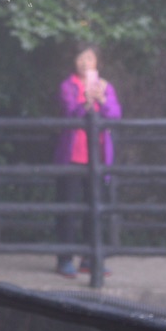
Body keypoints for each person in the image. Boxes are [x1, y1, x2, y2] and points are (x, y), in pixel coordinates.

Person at [54, 44, 120, 278]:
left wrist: (102, 99)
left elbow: (115, 116)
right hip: (72, 157)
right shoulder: (68, 86)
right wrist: (86, 101)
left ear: (96, 62)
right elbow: (70, 113)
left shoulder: (105, 86)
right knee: (68, 210)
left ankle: (90, 259)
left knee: (94, 210)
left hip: (97, 158)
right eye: (80, 58)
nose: (84, 63)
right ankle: (64, 259)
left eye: (89, 58)